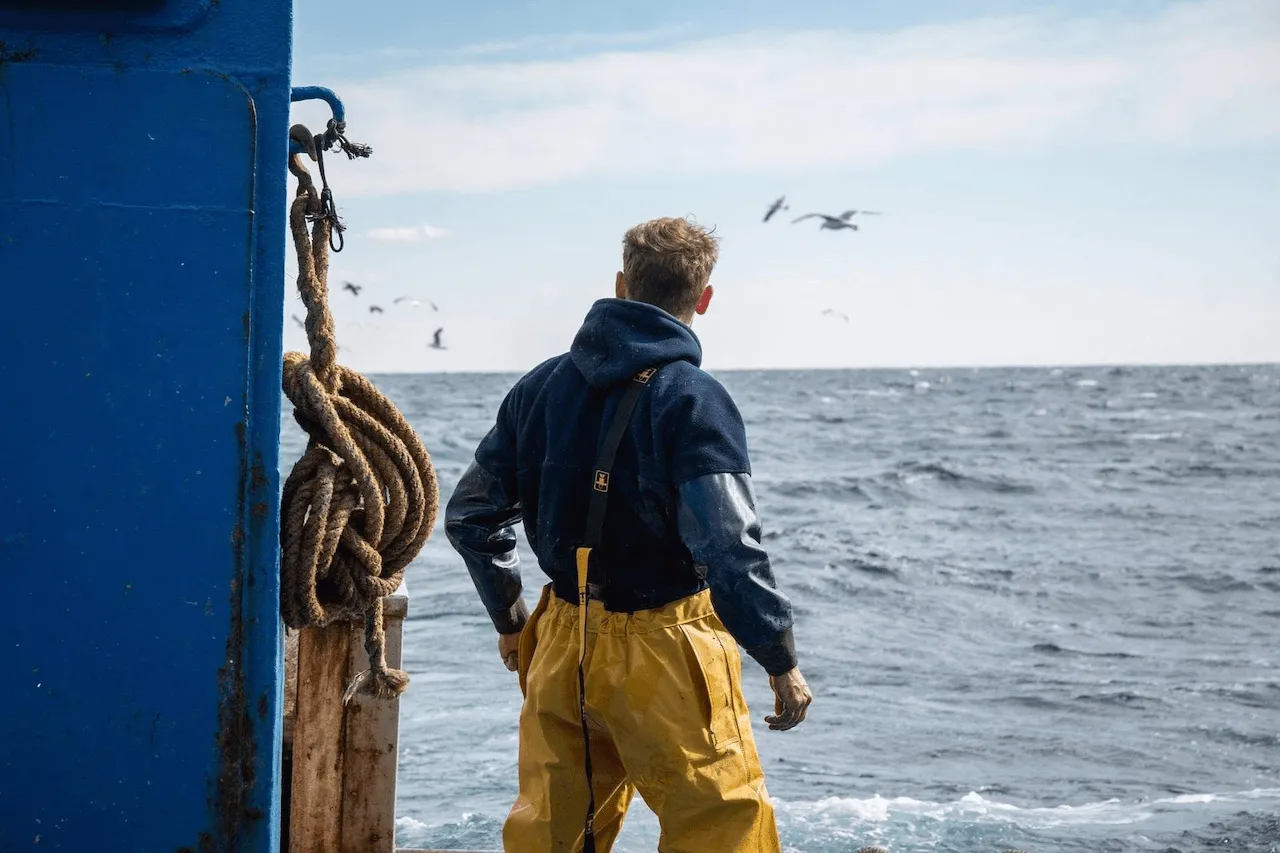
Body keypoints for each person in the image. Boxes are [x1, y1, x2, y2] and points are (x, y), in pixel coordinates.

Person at [444, 215, 812, 853]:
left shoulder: (539, 387)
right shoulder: (693, 399)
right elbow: (728, 548)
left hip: (559, 640)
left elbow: (470, 516)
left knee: (552, 834)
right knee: (719, 829)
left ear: (620, 283)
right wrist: (779, 659)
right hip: (664, 646)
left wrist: (513, 626)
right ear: (703, 299)